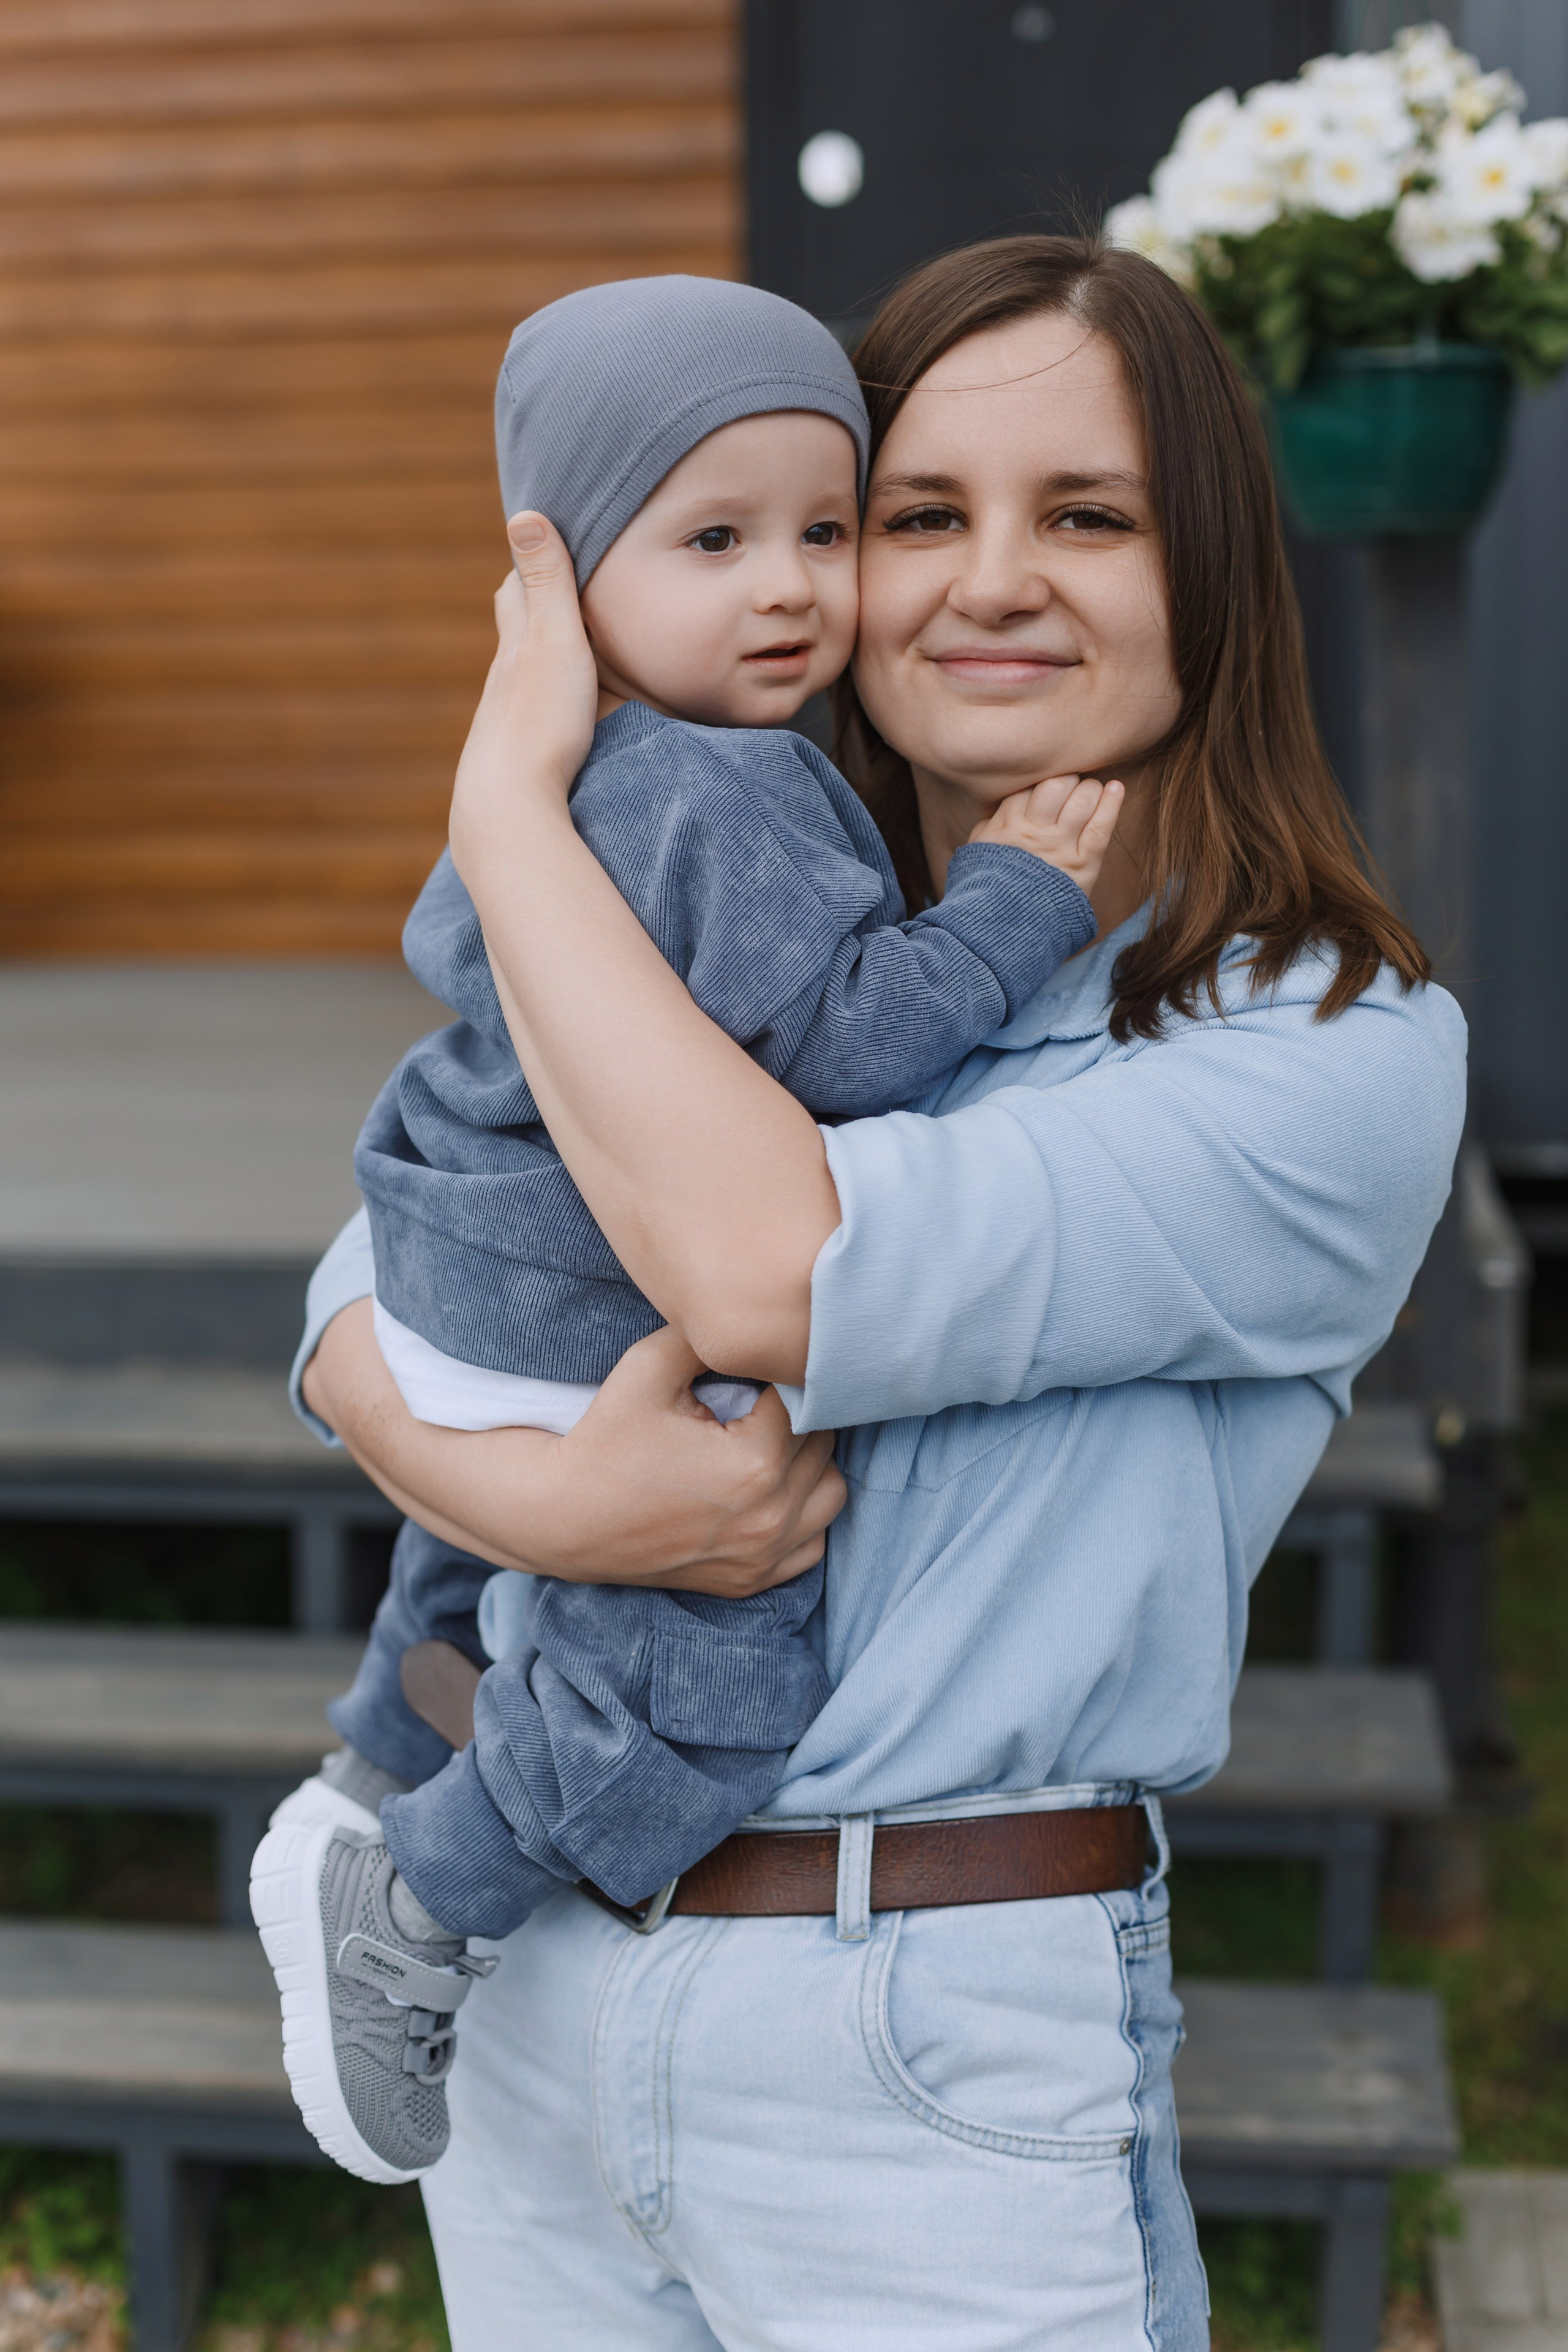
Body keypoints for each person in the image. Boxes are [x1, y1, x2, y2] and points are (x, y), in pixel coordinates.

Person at [291, 236, 1465, 2348]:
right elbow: (391, 1254)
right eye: (921, 515)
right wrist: (549, 1506)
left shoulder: (1319, 1044)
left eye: (1086, 517)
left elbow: (761, 1265)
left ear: (1212, 569)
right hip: (544, 1993)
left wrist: (506, 809)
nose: (986, 581)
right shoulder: (733, 896)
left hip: (923, 2040)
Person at [252, 271, 1121, 2192]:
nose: (790, 587)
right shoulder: (729, 787)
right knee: (703, 1685)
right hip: (587, 1321)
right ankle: (421, 1894)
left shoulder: (568, 793)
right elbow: (845, 1042)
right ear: (558, 586)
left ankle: (377, 1760)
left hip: (454, 1276)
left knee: (476, 1593)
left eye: (824, 528)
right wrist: (1013, 905)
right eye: (714, 538)